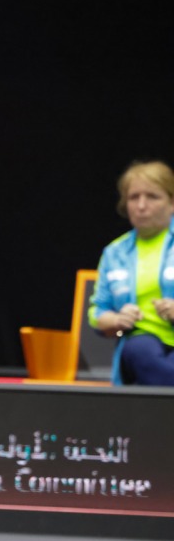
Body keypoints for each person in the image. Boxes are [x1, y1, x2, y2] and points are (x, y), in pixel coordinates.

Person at [88, 160, 174, 386]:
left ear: (172, 202)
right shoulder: (114, 252)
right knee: (139, 349)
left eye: (152, 197)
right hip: (142, 345)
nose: (141, 205)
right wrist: (117, 319)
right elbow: (97, 313)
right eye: (134, 197)